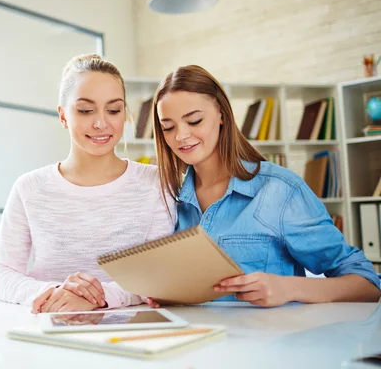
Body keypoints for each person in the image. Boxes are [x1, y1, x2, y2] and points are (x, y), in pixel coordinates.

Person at [148, 65, 381, 308]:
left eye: (194, 121)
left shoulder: (280, 190)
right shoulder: (168, 198)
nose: (181, 136)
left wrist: (289, 288)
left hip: (270, 342)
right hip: (196, 341)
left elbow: (367, 285)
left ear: (221, 114)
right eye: (168, 127)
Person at [0, 54, 176, 313]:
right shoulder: (29, 188)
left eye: (113, 110)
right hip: (49, 324)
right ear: (63, 115)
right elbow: (2, 274)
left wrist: (95, 297)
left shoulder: (155, 183)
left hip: (130, 332)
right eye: (86, 110)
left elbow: (159, 273)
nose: (101, 123)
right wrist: (55, 293)